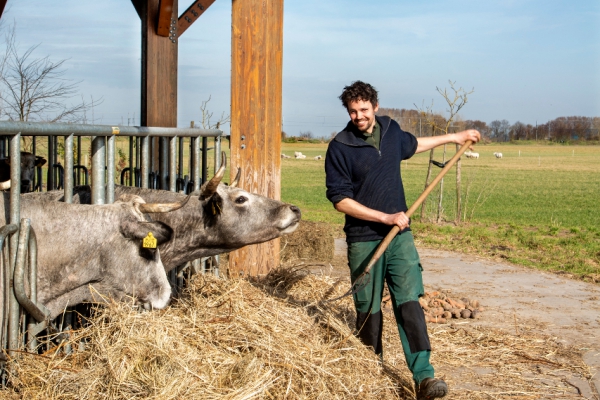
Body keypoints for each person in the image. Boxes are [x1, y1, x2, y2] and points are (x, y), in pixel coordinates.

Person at [324, 81, 480, 399]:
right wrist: (384, 217)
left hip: (400, 239)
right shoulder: (340, 146)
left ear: (376, 107)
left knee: (409, 303)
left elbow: (413, 145)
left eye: (364, 110)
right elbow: (340, 199)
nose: (359, 116)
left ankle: (424, 377)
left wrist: (456, 137)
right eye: (353, 111)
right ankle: (371, 370)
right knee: (368, 309)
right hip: (364, 239)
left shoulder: (392, 130)